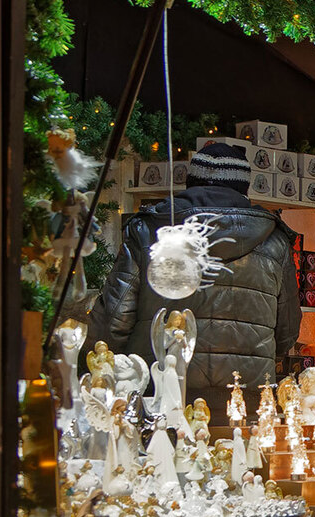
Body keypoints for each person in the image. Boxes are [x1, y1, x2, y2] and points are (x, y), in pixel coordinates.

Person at [88, 144, 300, 418]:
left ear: (190, 184)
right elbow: (286, 331)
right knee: (240, 460)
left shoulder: (148, 231)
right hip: (245, 399)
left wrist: (98, 367)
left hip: (160, 395)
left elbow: (113, 321)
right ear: (244, 189)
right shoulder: (275, 242)